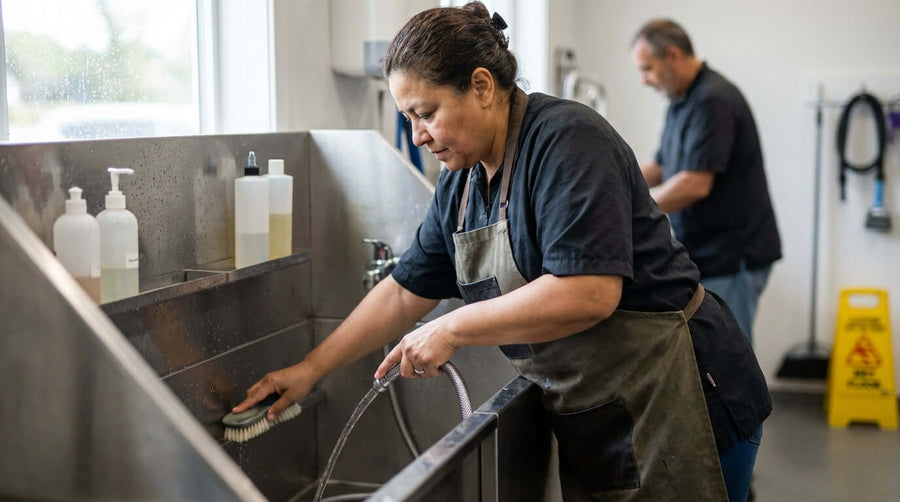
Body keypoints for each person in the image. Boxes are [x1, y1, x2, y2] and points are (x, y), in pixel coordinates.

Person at [234, 3, 770, 500]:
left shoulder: (567, 141)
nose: (417, 136)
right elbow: (403, 292)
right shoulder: (461, 184)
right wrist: (311, 368)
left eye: (426, 113)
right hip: (599, 414)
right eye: (408, 119)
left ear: (483, 87)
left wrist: (451, 328)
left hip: (680, 398)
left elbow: (588, 293)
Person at [631, 19, 782, 345]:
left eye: (648, 68)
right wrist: (614, 181)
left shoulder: (713, 100)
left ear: (672, 55)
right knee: (711, 351)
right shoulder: (680, 102)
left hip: (733, 255)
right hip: (707, 250)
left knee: (730, 354)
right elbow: (660, 166)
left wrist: (628, 208)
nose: (644, 80)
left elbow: (694, 183)